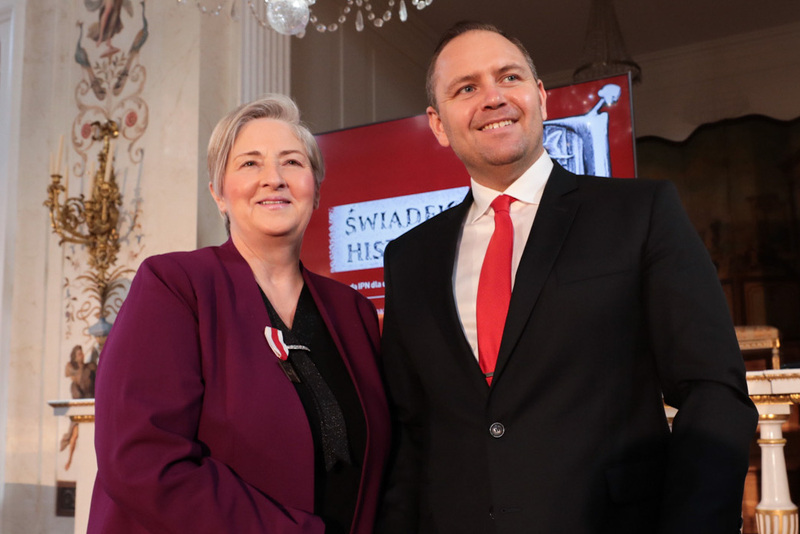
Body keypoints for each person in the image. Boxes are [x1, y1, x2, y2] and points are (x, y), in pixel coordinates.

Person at [378, 21, 758, 534]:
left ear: (540, 97)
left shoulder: (640, 214)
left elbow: (713, 392)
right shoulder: (408, 258)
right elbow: (410, 431)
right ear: (439, 124)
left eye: (508, 77)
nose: (492, 98)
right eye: (466, 88)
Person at [88, 94, 391, 533]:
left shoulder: (355, 313)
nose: (274, 179)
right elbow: (140, 457)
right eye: (250, 164)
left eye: (292, 162)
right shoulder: (174, 284)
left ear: (316, 189)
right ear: (219, 194)